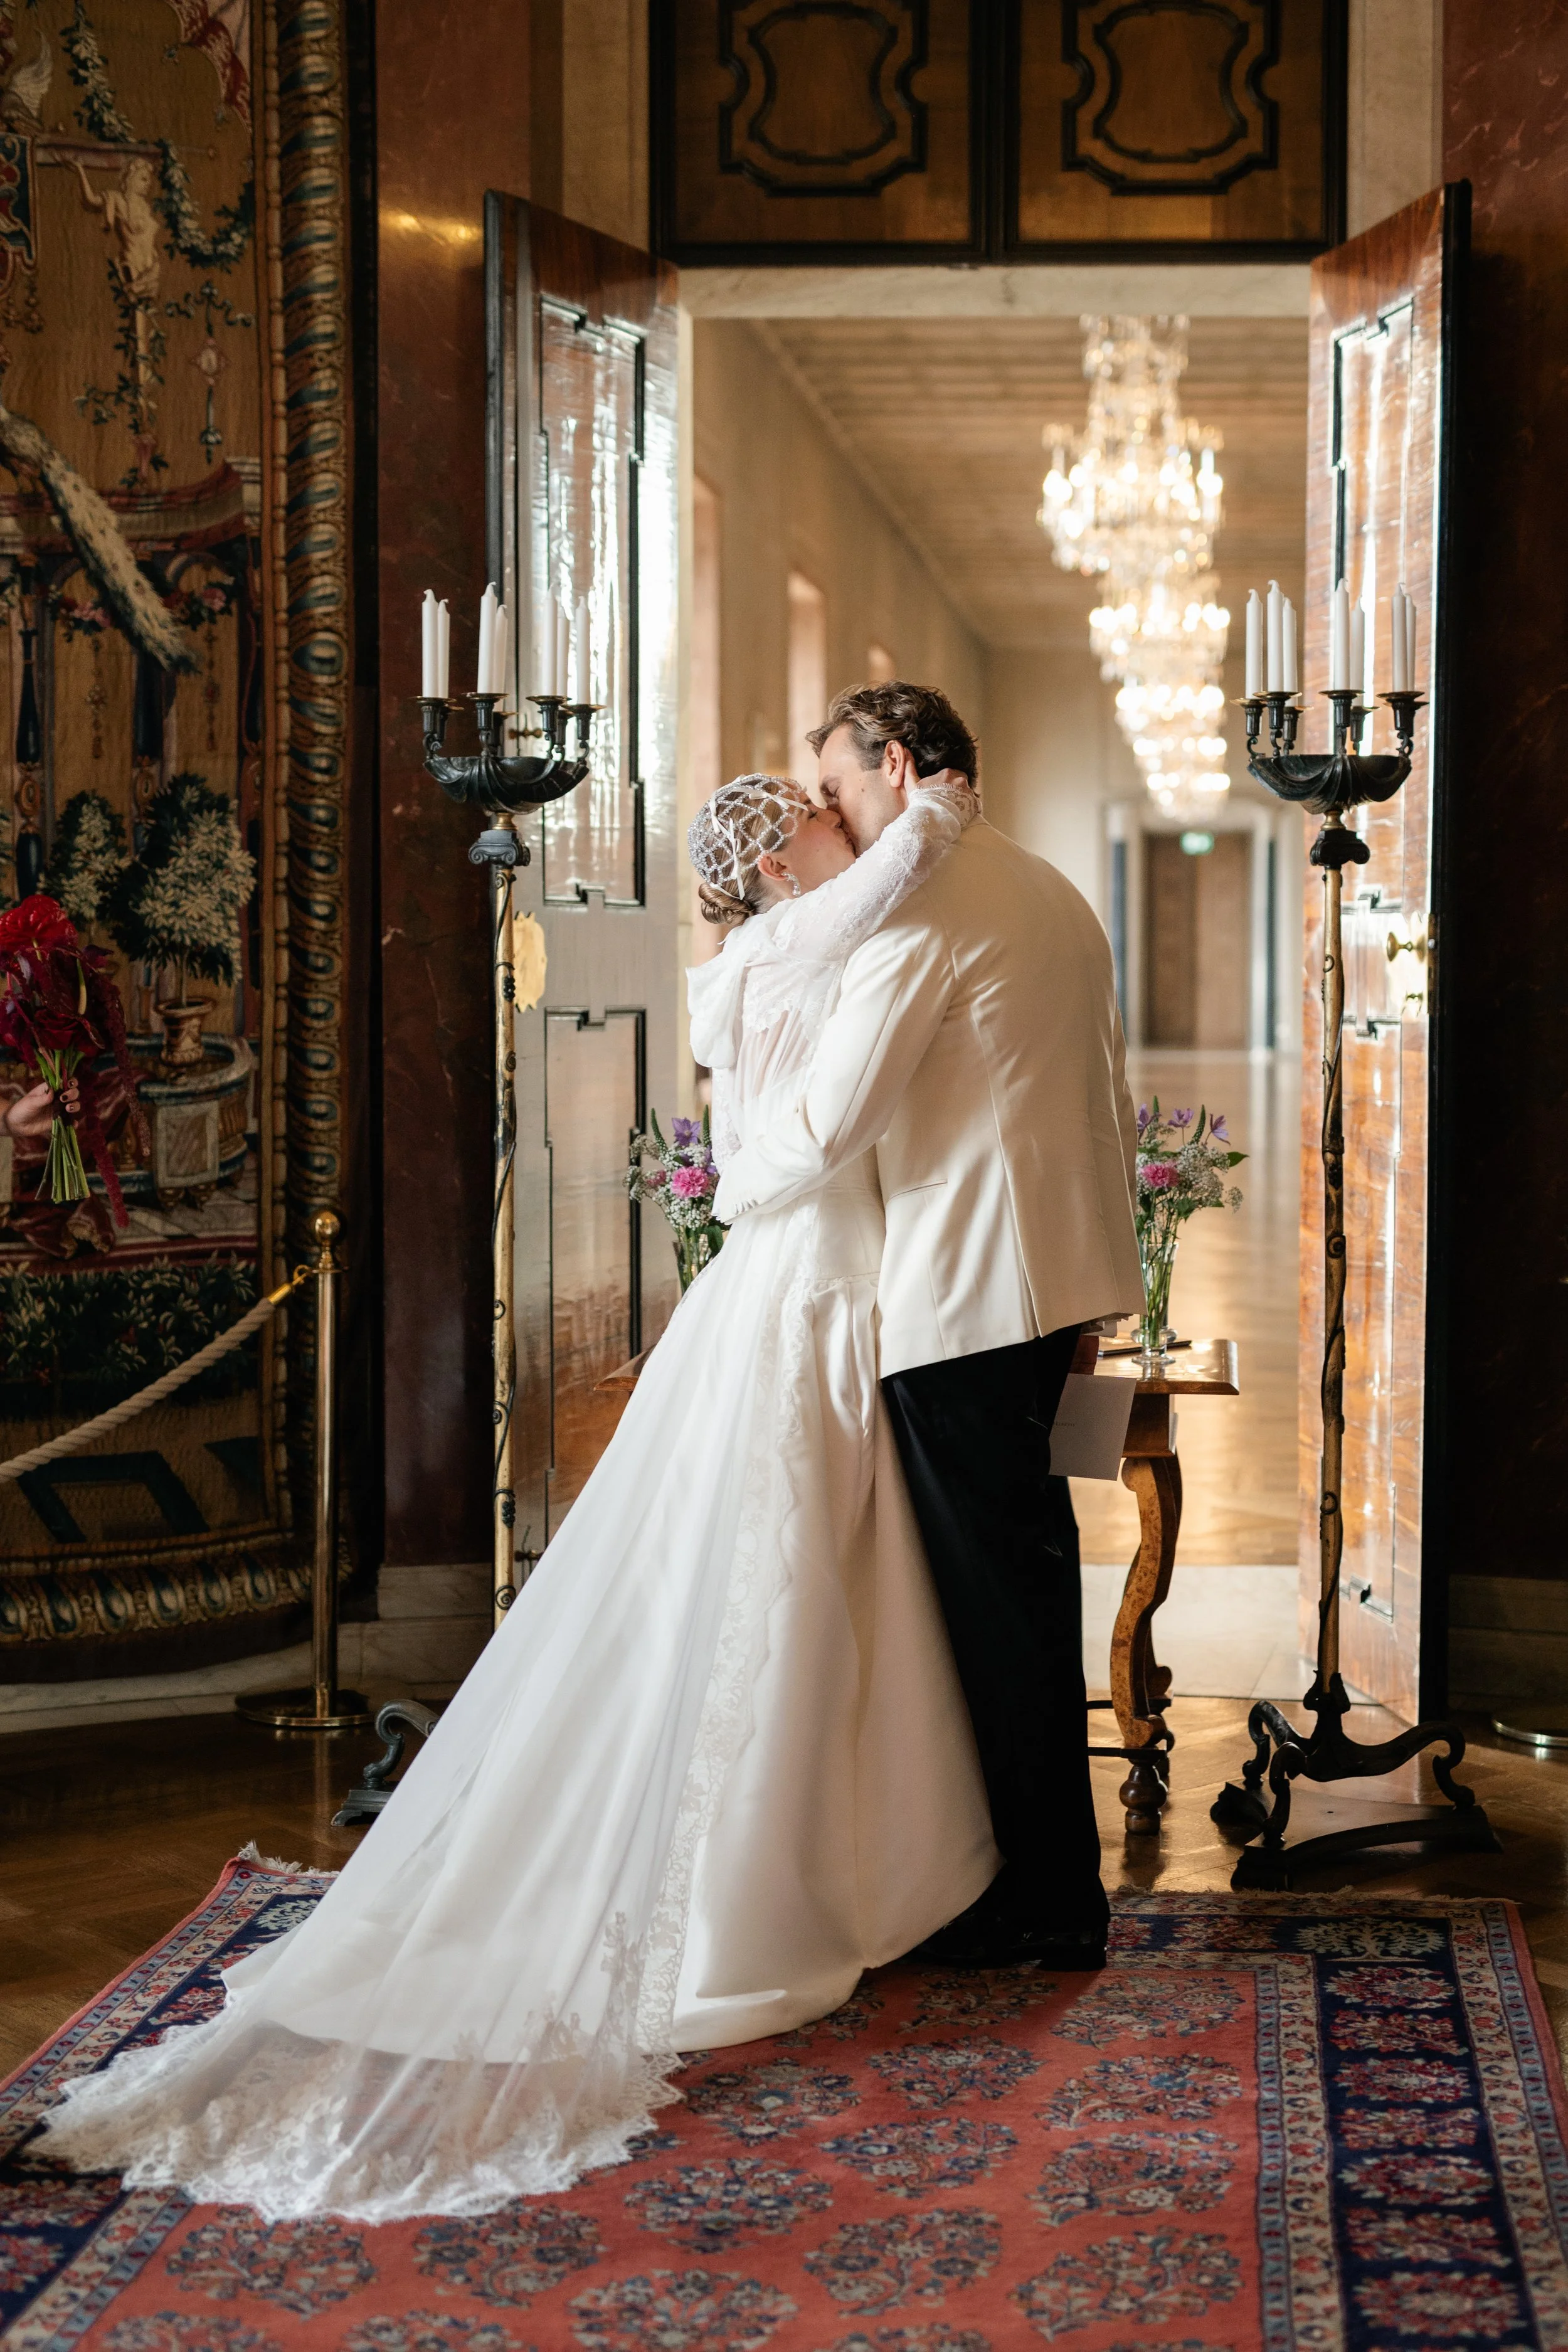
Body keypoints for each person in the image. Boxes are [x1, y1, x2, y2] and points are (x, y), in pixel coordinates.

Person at [37, 771, 997, 2224]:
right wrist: (926, 826)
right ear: (779, 856)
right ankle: (768, 1886)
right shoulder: (795, 945)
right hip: (807, 1283)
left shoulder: (750, 956)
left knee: (787, 1569)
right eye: (809, 811)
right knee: (784, 1576)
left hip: (788, 1286)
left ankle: (849, 1856)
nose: (833, 813)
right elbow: (807, 1099)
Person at [714, 680, 1143, 1969]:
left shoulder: (925, 914)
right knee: (1021, 1583)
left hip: (963, 1295)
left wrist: (730, 1175)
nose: (832, 818)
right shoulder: (1047, 885)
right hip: (1051, 1280)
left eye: (839, 787)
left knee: (994, 1608)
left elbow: (833, 1120)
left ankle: (1045, 1900)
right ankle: (1035, 1877)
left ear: (896, 767)